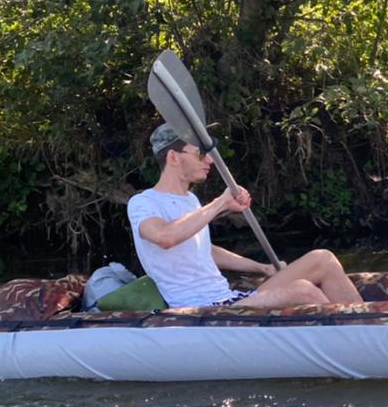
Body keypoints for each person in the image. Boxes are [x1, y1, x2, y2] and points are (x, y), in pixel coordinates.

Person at [127, 124, 362, 308]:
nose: (209, 160)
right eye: (201, 154)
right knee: (303, 290)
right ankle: (353, 340)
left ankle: (371, 324)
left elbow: (203, 249)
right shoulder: (142, 203)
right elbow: (165, 237)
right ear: (173, 158)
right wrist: (221, 203)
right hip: (200, 307)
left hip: (228, 298)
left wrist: (261, 267)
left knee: (323, 258)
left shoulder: (190, 201)